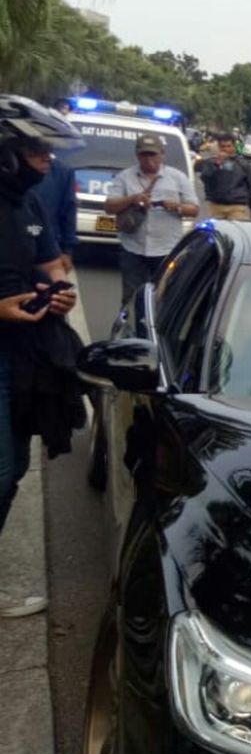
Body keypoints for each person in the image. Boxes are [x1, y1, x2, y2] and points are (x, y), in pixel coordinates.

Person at [0, 96, 84, 616]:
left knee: (11, 473)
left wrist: (62, 290)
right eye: (35, 151)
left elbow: (53, 263)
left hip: (26, 360)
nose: (46, 162)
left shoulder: (29, 205)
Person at [104, 133, 199, 304]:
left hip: (166, 249)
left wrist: (176, 206)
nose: (148, 159)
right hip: (133, 249)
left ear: (162, 154)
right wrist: (132, 199)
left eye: (153, 154)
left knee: (164, 297)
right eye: (144, 154)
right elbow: (109, 207)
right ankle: (129, 329)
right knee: (131, 298)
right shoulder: (125, 177)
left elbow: (194, 209)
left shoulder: (178, 178)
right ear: (137, 155)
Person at [27, 139, 77, 274]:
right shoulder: (8, 172)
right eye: (37, 153)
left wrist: (67, 251)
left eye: (47, 153)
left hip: (48, 248)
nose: (45, 159)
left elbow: (68, 212)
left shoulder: (62, 172)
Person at [199, 132, 251, 220]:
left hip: (237, 205)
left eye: (229, 146)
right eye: (223, 146)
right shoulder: (211, 163)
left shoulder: (243, 164)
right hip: (217, 205)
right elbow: (205, 178)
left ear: (234, 147)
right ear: (219, 147)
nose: (226, 149)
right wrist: (217, 164)